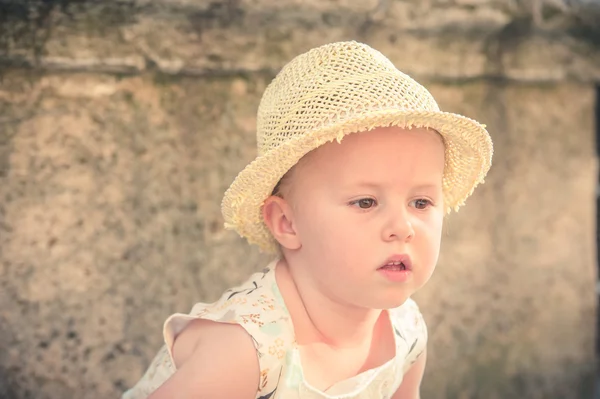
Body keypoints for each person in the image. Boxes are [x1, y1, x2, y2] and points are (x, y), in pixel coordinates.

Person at [122, 40, 493, 399]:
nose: (403, 226)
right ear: (287, 223)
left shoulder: (406, 329)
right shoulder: (249, 351)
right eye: (365, 202)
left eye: (421, 202)